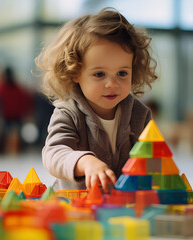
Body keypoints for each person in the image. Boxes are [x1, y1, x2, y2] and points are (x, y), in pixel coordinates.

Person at [35, 8, 158, 192]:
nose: (112, 84)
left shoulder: (140, 114)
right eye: (99, 74)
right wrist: (86, 162)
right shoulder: (68, 112)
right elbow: (54, 153)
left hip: (121, 204)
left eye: (122, 73)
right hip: (75, 203)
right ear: (75, 72)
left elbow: (151, 162)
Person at [0, 66, 34, 153]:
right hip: (14, 116)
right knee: (15, 136)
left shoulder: (0, 89)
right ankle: (14, 152)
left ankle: (7, 152)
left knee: (6, 137)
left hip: (7, 117)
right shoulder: (18, 89)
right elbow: (25, 102)